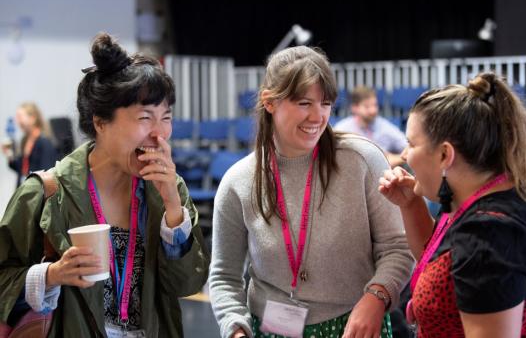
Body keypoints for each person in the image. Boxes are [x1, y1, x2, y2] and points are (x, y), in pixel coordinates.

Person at [0, 33, 210, 337]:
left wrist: (174, 210)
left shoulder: (169, 191)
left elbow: (187, 284)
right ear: (100, 122)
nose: (159, 133)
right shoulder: (46, 194)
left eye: (166, 117)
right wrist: (51, 275)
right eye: (144, 117)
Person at [209, 46, 414, 338]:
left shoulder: (362, 160)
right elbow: (224, 277)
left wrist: (377, 297)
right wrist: (235, 330)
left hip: (356, 326)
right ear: (269, 102)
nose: (318, 116)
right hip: (271, 329)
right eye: (304, 103)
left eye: (326, 103)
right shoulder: (238, 181)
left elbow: (397, 247)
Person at [379, 72, 526, 337]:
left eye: (411, 143)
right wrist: (410, 205)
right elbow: (442, 263)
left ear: (445, 154)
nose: (404, 155)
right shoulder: (487, 198)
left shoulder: (488, 237)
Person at [334, 86, 407, 167]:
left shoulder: (385, 127)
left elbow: (408, 146)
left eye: (375, 105)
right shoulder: (342, 128)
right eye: (367, 106)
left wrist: (395, 158)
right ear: (354, 108)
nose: (373, 110)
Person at [1, 102, 57, 187]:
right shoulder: (25, 140)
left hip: (36, 195)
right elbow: (22, 169)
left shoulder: (44, 143)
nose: (17, 121)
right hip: (25, 193)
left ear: (33, 118)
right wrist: (9, 156)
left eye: (20, 117)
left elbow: (47, 175)